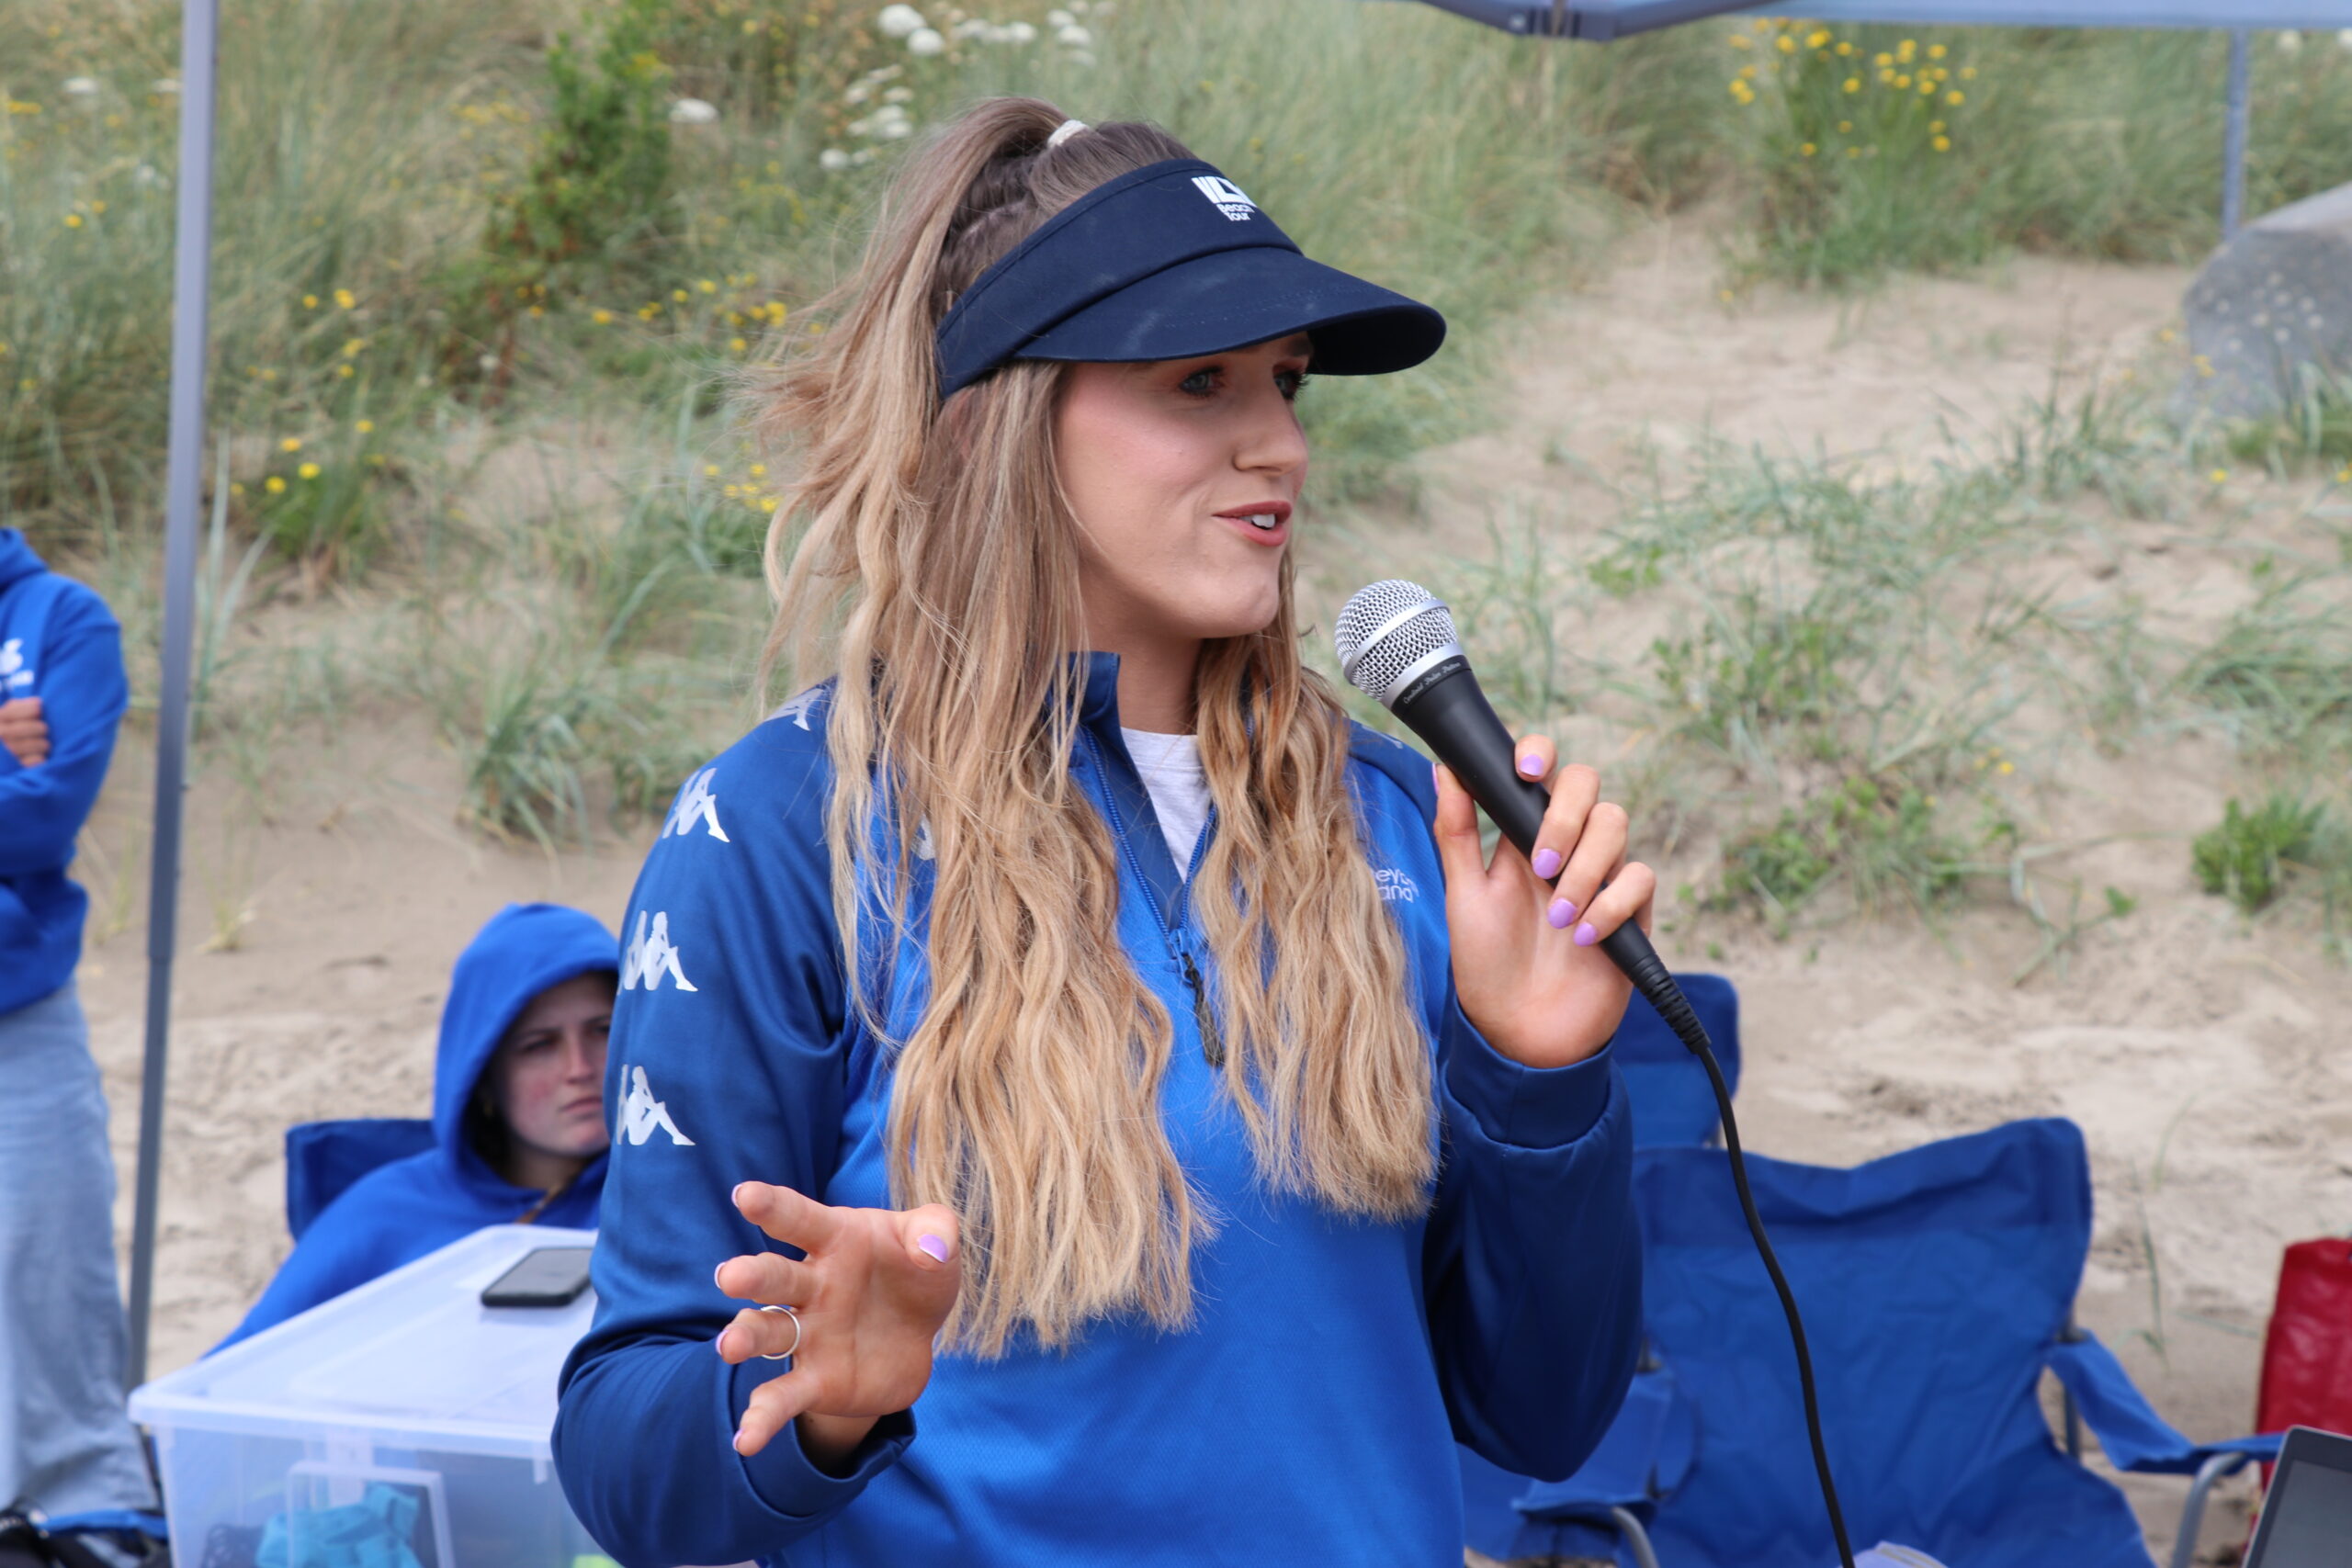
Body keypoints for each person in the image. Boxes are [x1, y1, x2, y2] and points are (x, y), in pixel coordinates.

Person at [554, 101, 1650, 1567]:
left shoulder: (1400, 820)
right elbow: (622, 1456)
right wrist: (819, 1402)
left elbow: (1547, 1415)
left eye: (1287, 382)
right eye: (1200, 381)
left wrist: (1541, 1080)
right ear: (998, 417)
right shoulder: (781, 829)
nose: (1280, 443)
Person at [218, 903, 616, 1348]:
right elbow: (232, 1370)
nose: (579, 1068)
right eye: (539, 1045)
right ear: (484, 1074)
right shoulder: (385, 1213)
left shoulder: (663, 1198)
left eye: (604, 1030)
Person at [0, 529, 153, 1539]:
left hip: (20, 1017)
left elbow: (45, 815)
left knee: (47, 1288)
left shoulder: (60, 616)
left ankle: (88, 1534)